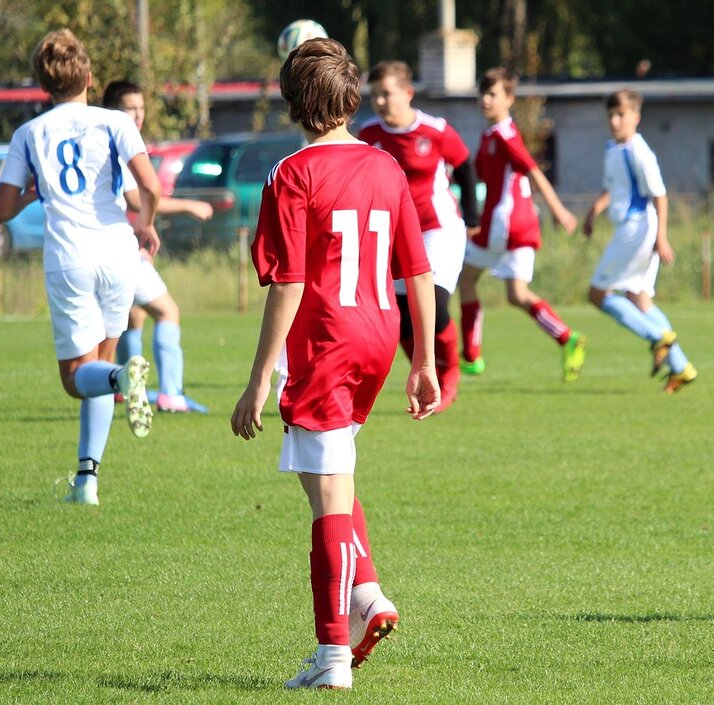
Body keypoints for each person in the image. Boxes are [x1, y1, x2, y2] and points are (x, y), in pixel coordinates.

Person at [230, 38, 439, 690]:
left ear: (293, 102)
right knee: (330, 481)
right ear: (351, 97)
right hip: (379, 337)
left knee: (325, 502)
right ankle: (368, 593)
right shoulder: (384, 167)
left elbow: (285, 281)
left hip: (326, 340)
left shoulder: (292, 174)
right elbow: (418, 268)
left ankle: (332, 654)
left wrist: (259, 376)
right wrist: (424, 358)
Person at [0, 29, 162, 505]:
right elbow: (150, 188)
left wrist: (29, 194)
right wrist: (144, 225)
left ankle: (120, 378)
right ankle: (86, 482)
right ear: (89, 76)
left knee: (78, 380)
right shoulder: (115, 122)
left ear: (43, 85)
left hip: (69, 258)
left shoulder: (29, 134)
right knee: (102, 364)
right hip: (117, 252)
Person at [358, 60, 478, 413]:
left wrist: (472, 216)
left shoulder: (434, 130)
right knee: (401, 318)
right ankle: (427, 373)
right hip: (396, 236)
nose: (380, 101)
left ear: (408, 93)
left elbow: (466, 166)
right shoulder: (368, 135)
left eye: (386, 94)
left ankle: (451, 370)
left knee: (434, 306)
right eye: (374, 95)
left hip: (437, 230)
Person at [459, 68, 586, 383]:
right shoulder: (491, 134)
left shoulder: (504, 134)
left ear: (509, 100)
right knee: (517, 294)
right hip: (517, 224)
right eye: (483, 94)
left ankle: (471, 356)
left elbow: (532, 170)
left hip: (504, 222)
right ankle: (566, 337)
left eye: (494, 95)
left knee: (465, 279)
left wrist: (559, 210)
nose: (486, 101)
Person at [102, 79, 214, 413]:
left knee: (133, 315)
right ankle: (171, 395)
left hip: (107, 247)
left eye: (140, 107)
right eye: (129, 108)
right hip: (116, 248)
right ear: (113, 112)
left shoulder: (104, 140)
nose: (137, 115)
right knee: (167, 311)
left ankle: (129, 390)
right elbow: (138, 197)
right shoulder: (119, 143)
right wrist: (189, 206)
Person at [582, 89, 697, 392]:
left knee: (597, 293)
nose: (615, 121)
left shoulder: (639, 152)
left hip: (638, 229)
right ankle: (681, 367)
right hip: (631, 229)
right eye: (611, 115)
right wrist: (594, 210)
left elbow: (659, 195)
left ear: (636, 117)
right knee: (639, 300)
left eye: (621, 115)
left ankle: (657, 338)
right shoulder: (613, 149)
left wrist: (662, 238)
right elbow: (613, 188)